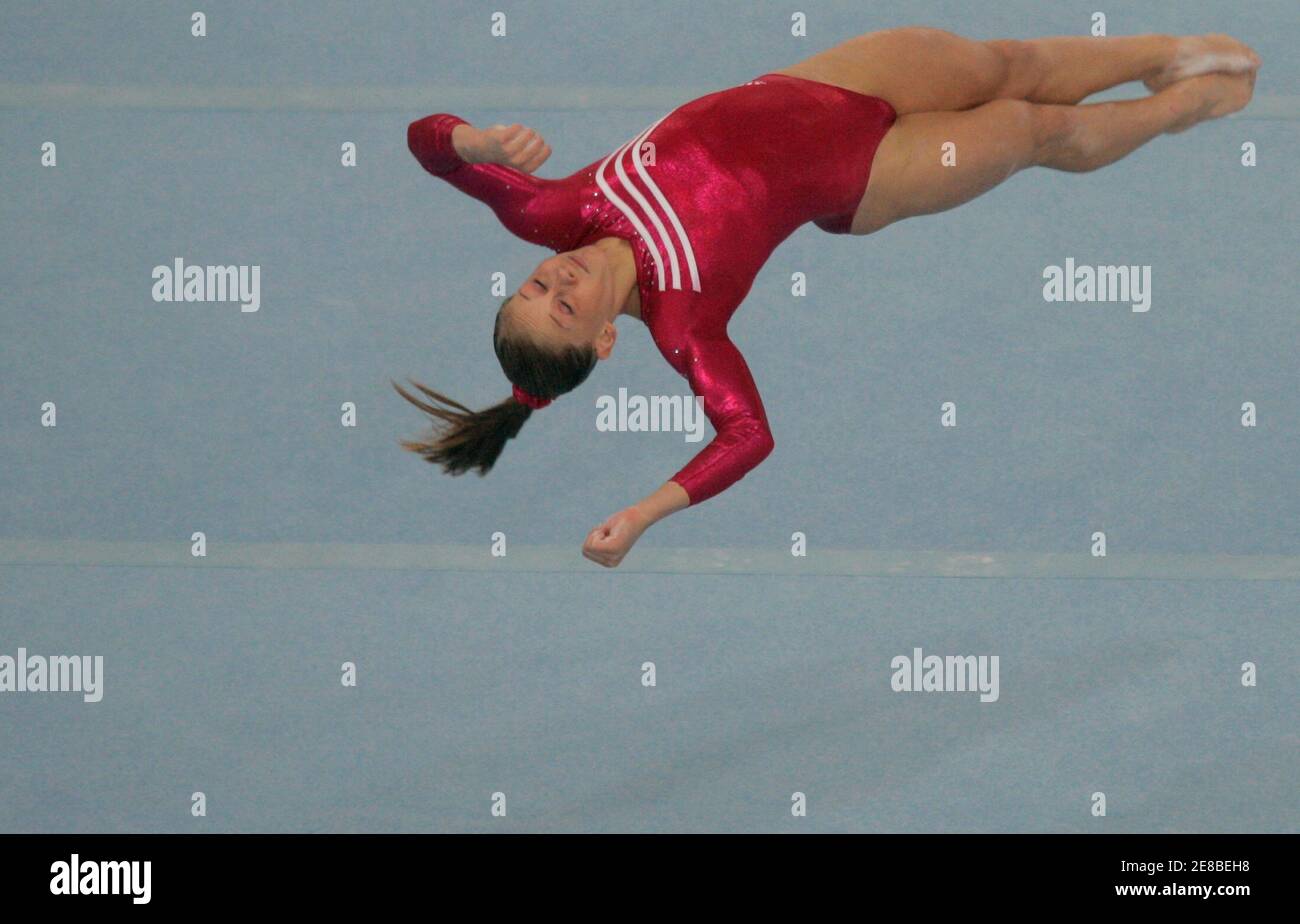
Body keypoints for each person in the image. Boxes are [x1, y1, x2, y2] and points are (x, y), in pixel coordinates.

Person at [395, 28, 1260, 567]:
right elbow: (748, 434)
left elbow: (427, 149)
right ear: (602, 343)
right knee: (1036, 128)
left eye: (535, 283)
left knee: (1009, 61)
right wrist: (646, 512)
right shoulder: (683, 320)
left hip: (825, 84)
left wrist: (472, 138)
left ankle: (1157, 54)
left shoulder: (553, 211)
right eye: (563, 306)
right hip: (868, 177)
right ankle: (1176, 110)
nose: (559, 277)